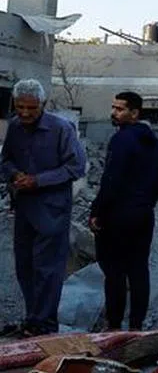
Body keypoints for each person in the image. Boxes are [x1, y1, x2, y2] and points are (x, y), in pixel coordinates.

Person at [0, 79, 87, 336]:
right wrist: (14, 175)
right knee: (25, 266)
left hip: (52, 210)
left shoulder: (62, 129)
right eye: (20, 107)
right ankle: (32, 319)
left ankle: (45, 324)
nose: (25, 113)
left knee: (47, 268)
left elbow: (76, 167)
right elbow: (5, 160)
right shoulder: (15, 127)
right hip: (24, 208)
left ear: (43, 105)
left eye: (31, 108)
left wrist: (38, 180)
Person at [90, 91, 158, 330]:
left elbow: (112, 179)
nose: (114, 113)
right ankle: (136, 325)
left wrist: (98, 211)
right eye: (113, 108)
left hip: (119, 215)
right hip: (143, 214)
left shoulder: (122, 139)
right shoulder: (153, 142)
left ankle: (114, 324)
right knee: (139, 269)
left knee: (114, 271)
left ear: (134, 113)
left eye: (120, 109)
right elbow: (157, 183)